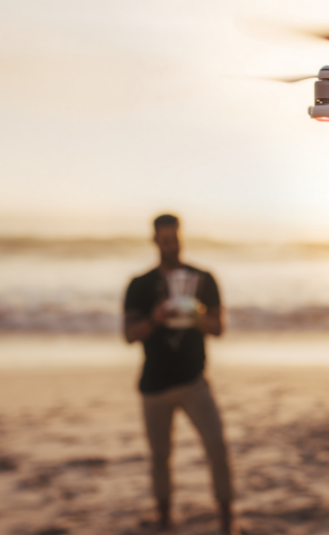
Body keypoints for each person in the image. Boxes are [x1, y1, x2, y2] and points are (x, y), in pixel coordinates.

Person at [123, 214, 238, 534]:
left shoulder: (203, 279)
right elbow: (130, 334)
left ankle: (228, 520)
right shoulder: (140, 285)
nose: (170, 245)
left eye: (174, 239)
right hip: (154, 386)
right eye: (164, 240)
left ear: (181, 238)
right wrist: (156, 319)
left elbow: (219, 328)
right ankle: (164, 518)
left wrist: (195, 314)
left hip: (194, 381)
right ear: (155, 241)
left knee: (217, 446)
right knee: (160, 456)